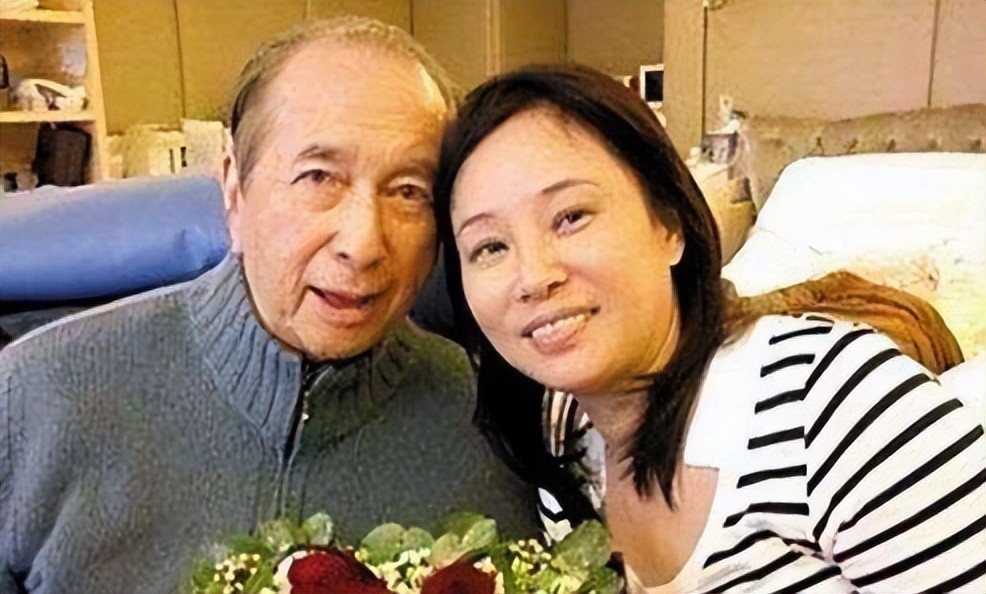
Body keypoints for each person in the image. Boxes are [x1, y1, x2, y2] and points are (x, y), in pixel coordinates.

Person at [0, 17, 537, 594]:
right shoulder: (34, 395)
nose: (363, 244)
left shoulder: (486, 416)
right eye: (319, 177)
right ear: (234, 188)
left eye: (408, 191)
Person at [433, 63, 986, 593]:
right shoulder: (559, 432)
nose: (534, 278)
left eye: (571, 217)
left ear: (669, 224)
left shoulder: (836, 408)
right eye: (490, 247)